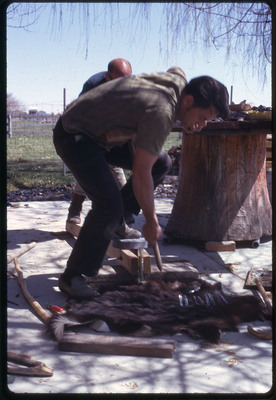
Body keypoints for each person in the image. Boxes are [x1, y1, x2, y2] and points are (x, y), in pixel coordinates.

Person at [53, 68, 230, 299]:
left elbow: (177, 70)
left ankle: (118, 219)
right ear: (187, 100)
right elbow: (141, 173)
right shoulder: (162, 111)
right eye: (203, 118)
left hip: (103, 135)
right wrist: (152, 220)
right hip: (75, 135)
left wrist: (185, 119)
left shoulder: (179, 86)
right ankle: (72, 277)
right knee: (108, 205)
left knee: (162, 162)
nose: (203, 124)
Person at [67, 58, 136, 232]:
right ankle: (75, 208)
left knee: (116, 171)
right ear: (107, 76)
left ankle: (123, 213)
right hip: (90, 133)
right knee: (92, 169)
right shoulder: (93, 85)